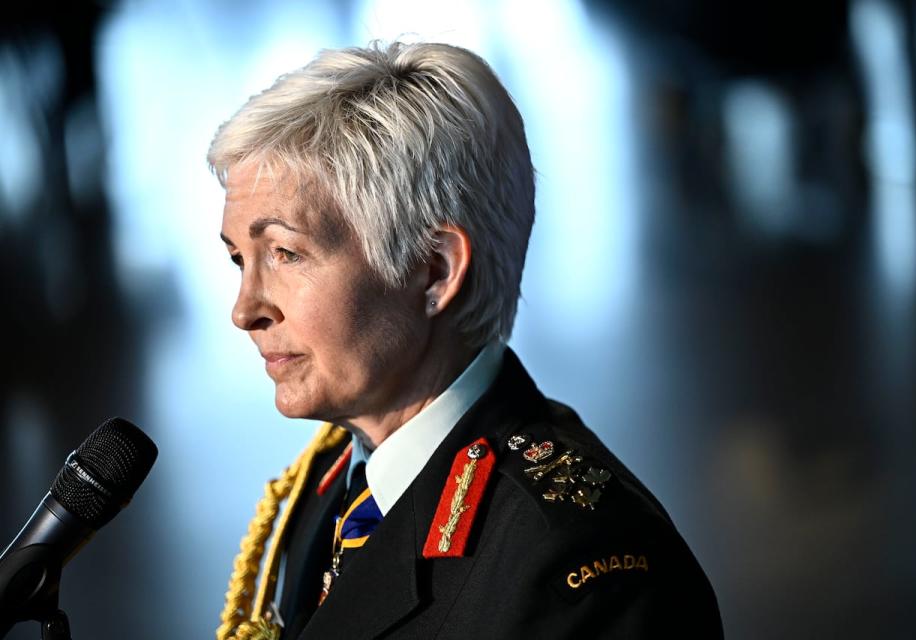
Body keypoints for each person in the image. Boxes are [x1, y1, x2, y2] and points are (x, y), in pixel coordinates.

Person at [208, 41, 723, 640]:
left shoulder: (579, 580)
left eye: (286, 254)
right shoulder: (333, 480)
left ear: (435, 271)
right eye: (239, 259)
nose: (245, 310)